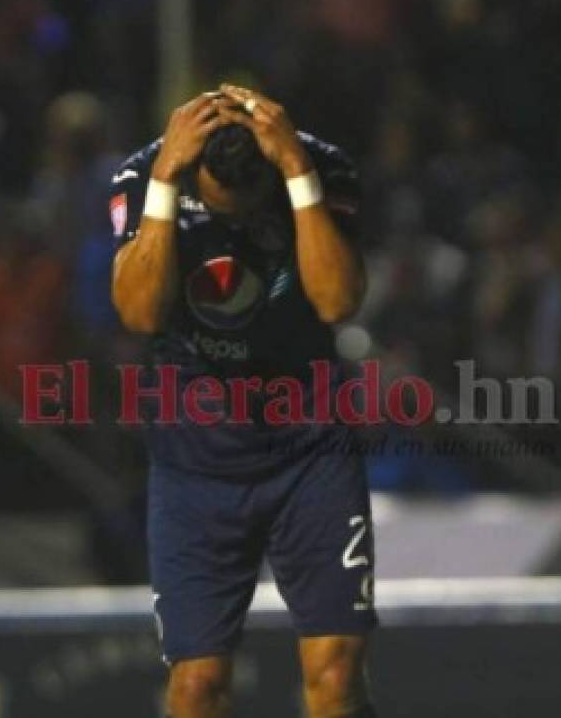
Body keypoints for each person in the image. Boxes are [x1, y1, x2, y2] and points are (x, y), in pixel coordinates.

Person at [109, 83, 378, 717]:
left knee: (336, 677)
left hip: (310, 454)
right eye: (218, 208)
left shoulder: (319, 167)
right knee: (197, 688)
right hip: (196, 465)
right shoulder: (147, 173)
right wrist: (167, 187)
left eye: (248, 208)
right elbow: (140, 313)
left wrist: (298, 177)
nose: (233, 223)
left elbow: (338, 301)